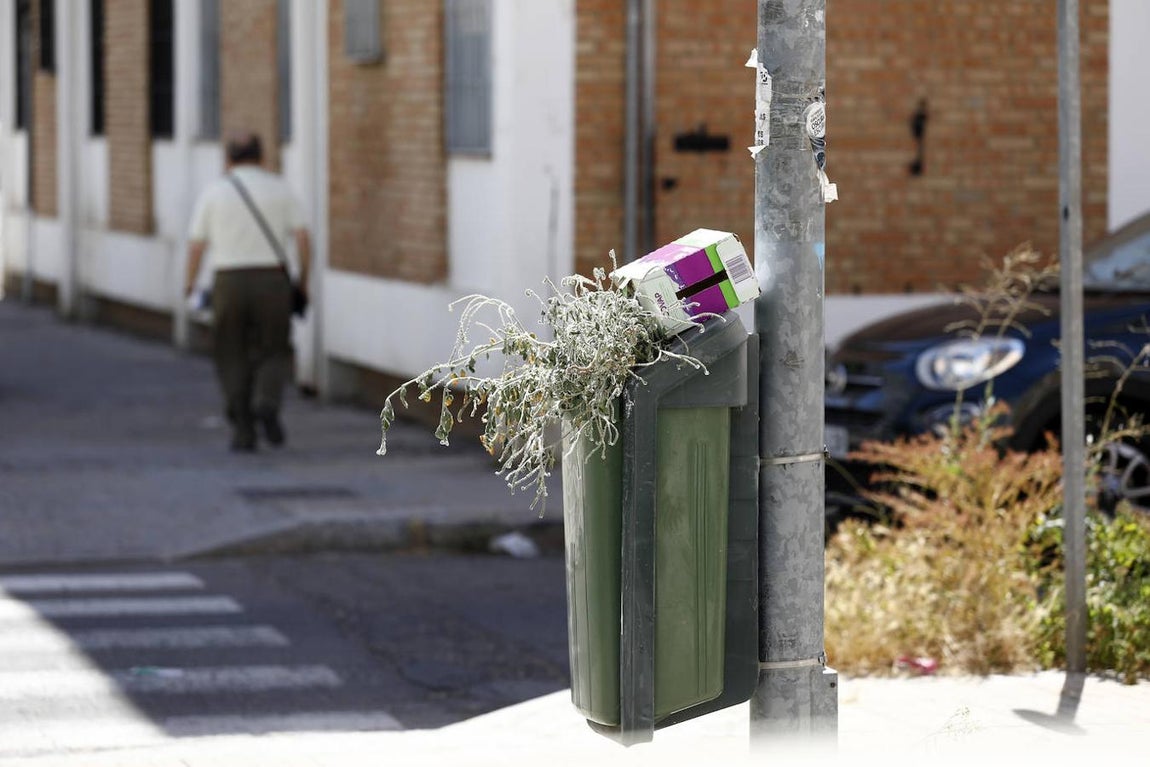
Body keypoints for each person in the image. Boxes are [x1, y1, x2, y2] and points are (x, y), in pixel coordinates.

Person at [184, 132, 311, 452]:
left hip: (228, 280)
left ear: (228, 159)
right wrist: (302, 280)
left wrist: (190, 283)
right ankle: (266, 402)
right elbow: (303, 239)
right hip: (272, 280)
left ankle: (243, 428)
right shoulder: (280, 189)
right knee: (275, 349)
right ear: (262, 156)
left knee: (231, 352)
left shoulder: (214, 193)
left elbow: (197, 244)